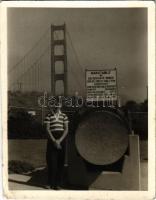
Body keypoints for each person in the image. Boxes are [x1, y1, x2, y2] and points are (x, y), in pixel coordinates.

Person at [44, 103, 69, 190]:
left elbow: (66, 129)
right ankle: (49, 183)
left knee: (60, 162)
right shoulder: (48, 115)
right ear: (53, 106)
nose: (57, 106)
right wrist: (54, 141)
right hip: (52, 140)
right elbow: (47, 129)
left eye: (58, 105)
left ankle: (58, 184)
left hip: (61, 139)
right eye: (55, 105)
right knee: (51, 162)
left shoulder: (64, 116)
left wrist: (59, 140)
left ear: (61, 105)